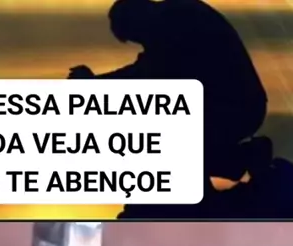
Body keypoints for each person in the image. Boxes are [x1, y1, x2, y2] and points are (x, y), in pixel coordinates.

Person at [69, 0, 269, 184]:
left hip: (232, 108)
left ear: (139, 18)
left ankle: (243, 159)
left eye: (138, 37)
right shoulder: (173, 17)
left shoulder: (175, 21)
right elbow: (148, 70)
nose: (143, 43)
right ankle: (242, 160)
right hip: (232, 106)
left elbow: (149, 73)